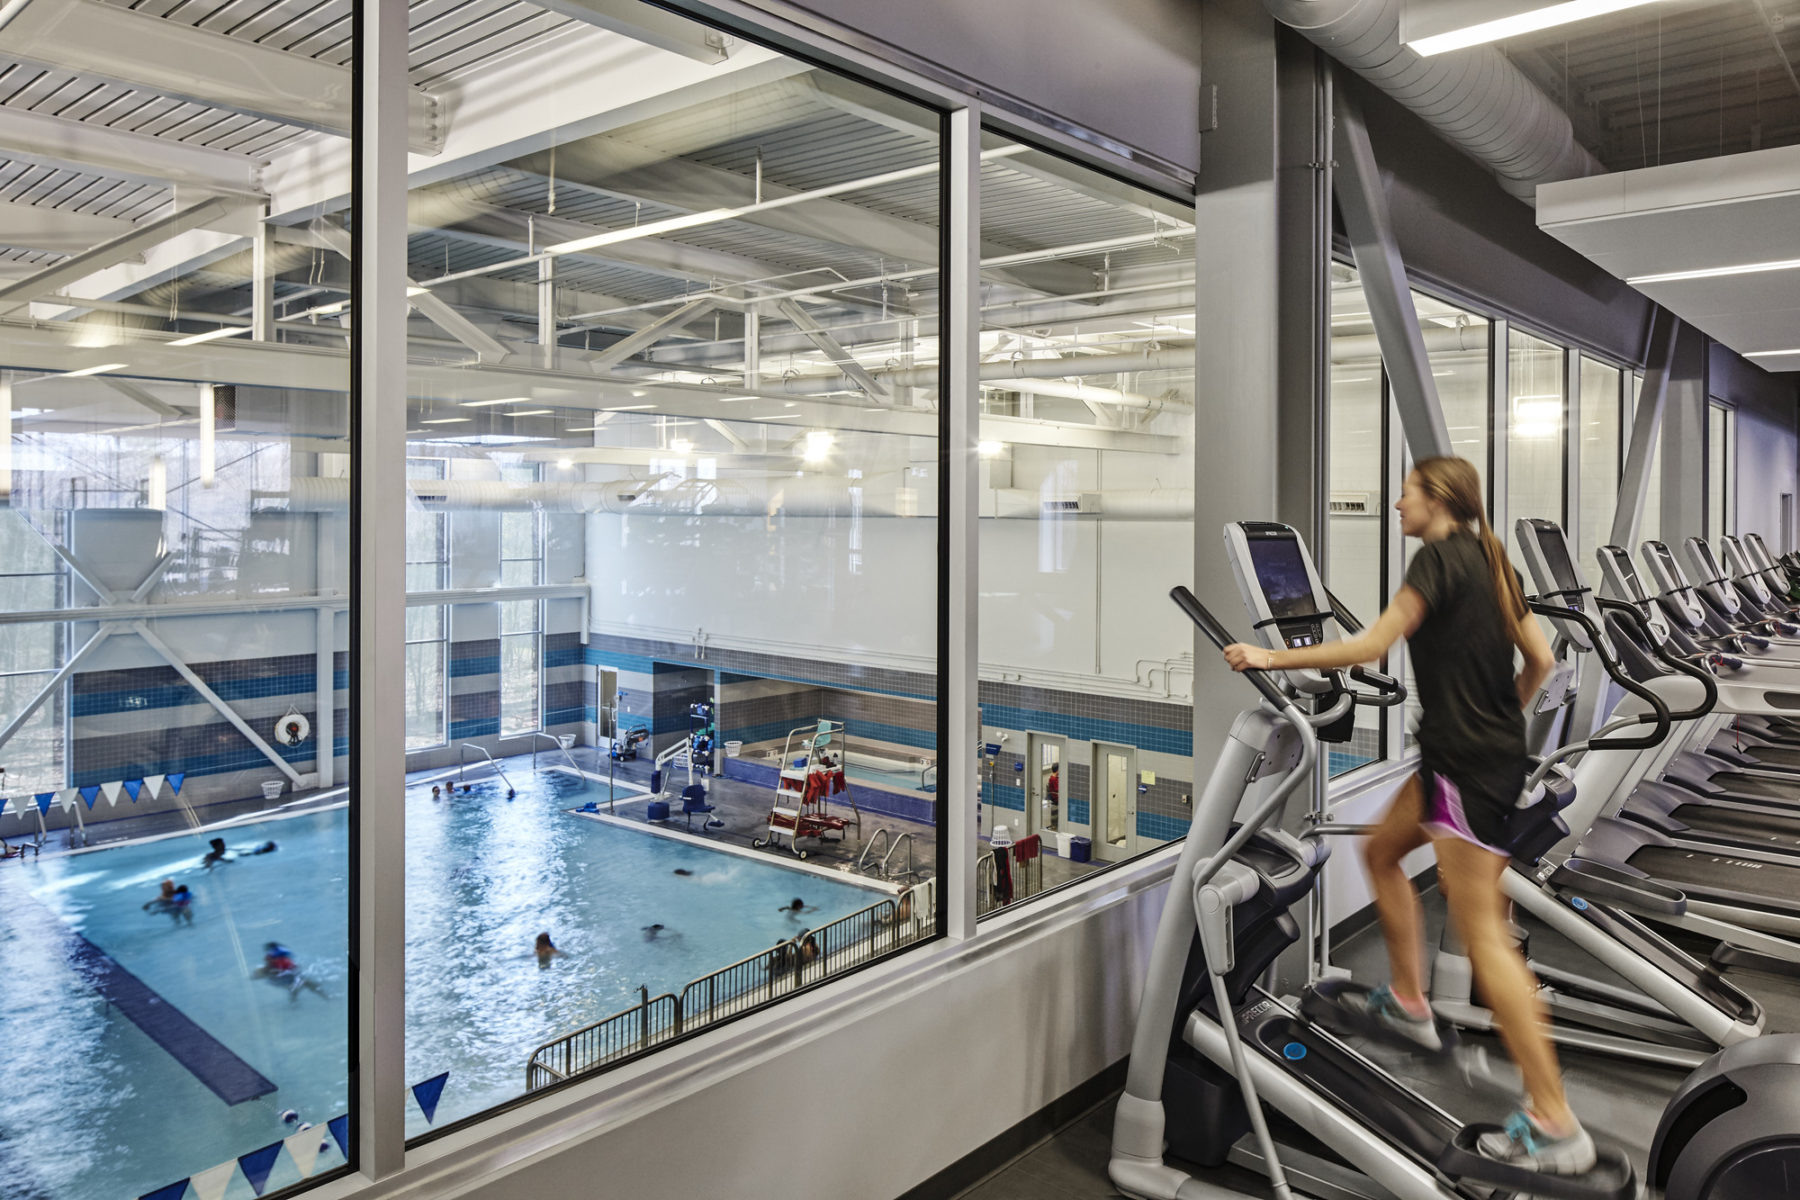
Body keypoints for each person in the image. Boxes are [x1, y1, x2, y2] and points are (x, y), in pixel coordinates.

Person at [1220, 455, 1591, 1175]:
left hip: (1461, 768)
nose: (1397, 504)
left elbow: (1371, 645)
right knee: (1382, 852)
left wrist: (1266, 655)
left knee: (1482, 931)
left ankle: (1556, 1124)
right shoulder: (1494, 561)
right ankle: (1411, 1002)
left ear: (1438, 501)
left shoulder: (1437, 563)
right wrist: (1494, 720)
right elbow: (1541, 660)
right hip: (1468, 757)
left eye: (1407, 494)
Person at [254, 942, 327, 1000]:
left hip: (288, 976)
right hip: (283, 977)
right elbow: (268, 970)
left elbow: (291, 967)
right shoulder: (272, 958)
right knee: (305, 984)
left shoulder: (279, 957)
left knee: (302, 985)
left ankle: (324, 996)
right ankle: (325, 997)